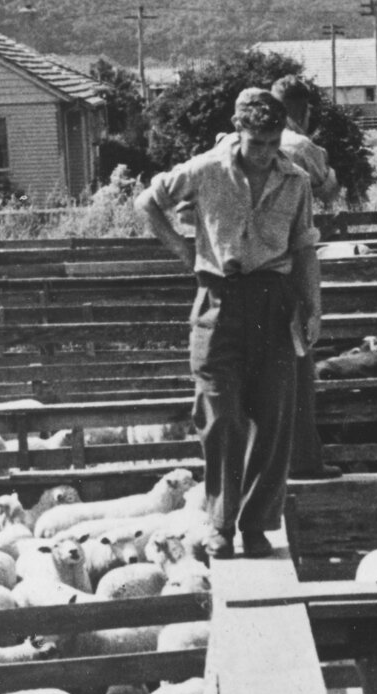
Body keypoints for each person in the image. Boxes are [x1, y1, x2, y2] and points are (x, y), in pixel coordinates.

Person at [136, 88, 320, 559]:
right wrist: (184, 250)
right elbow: (147, 203)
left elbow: (303, 247)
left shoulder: (295, 180)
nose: (263, 153)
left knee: (275, 419)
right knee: (221, 418)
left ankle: (257, 525)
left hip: (274, 303)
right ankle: (221, 525)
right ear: (238, 132)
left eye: (272, 142)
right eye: (255, 142)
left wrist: (311, 306)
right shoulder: (204, 170)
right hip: (219, 300)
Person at [272, 75, 344, 482]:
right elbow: (330, 189)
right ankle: (303, 459)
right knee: (300, 365)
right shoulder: (299, 145)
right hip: (293, 261)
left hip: (253, 266)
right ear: (303, 110)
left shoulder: (232, 145)